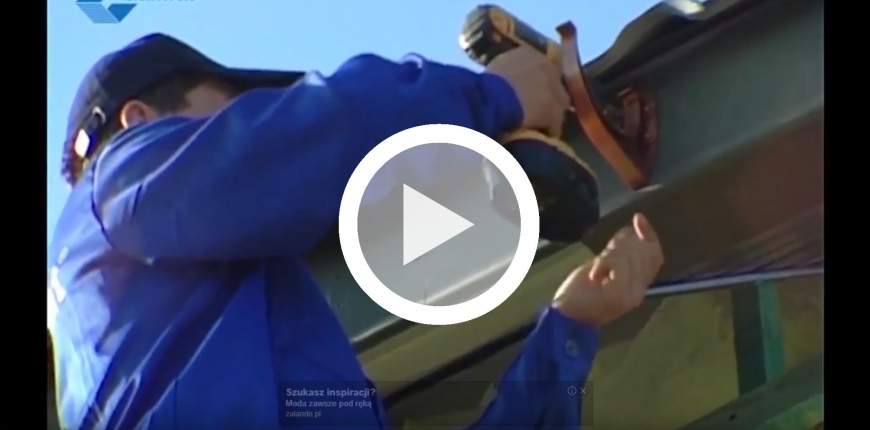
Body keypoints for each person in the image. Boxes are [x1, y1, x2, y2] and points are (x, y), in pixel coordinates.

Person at [48, 33, 664, 430]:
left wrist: (570, 329)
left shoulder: (239, 336)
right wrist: (493, 94)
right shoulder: (116, 183)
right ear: (137, 121)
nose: (256, 125)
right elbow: (306, 138)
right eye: (233, 114)